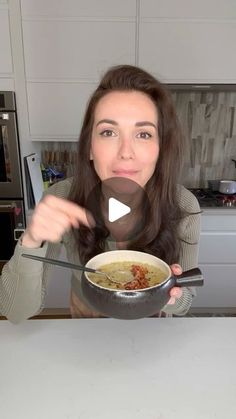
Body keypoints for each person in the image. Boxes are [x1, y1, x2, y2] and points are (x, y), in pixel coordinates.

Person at [0, 64, 201, 323]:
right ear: (90, 148)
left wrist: (172, 293)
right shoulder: (62, 198)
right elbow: (15, 311)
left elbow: (184, 304)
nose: (126, 152)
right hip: (86, 335)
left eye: (143, 134)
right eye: (108, 132)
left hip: (154, 336)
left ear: (160, 149)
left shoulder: (184, 205)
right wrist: (32, 239)